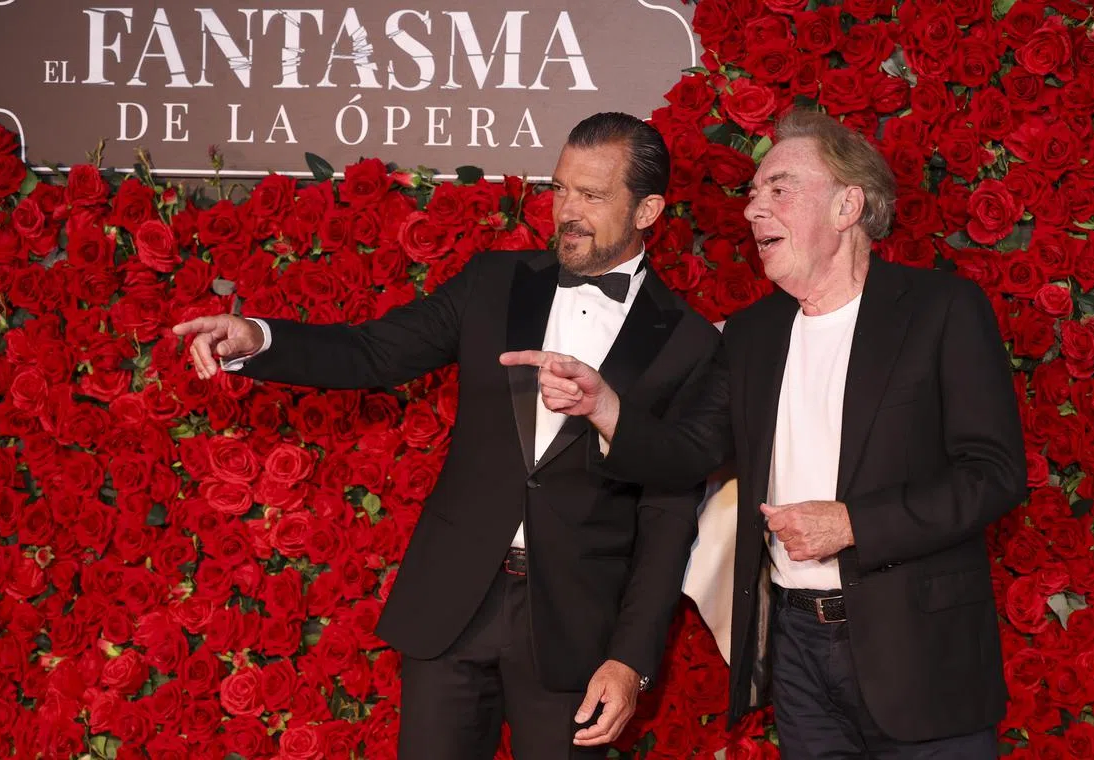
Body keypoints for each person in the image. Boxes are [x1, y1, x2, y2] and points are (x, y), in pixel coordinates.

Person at [173, 112, 721, 760]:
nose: (566, 211)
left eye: (592, 196)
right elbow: (373, 352)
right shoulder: (495, 281)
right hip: (455, 605)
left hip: (573, 631)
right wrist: (259, 339)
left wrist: (630, 660)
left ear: (648, 209)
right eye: (560, 189)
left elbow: (667, 515)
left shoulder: (688, 342)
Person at [502, 109, 1027, 759]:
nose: (753, 211)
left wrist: (853, 523)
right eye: (752, 194)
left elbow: (993, 473)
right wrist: (608, 409)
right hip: (798, 653)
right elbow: (691, 452)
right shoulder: (752, 334)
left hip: (921, 656)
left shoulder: (943, 311)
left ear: (847, 205)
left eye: (778, 188)